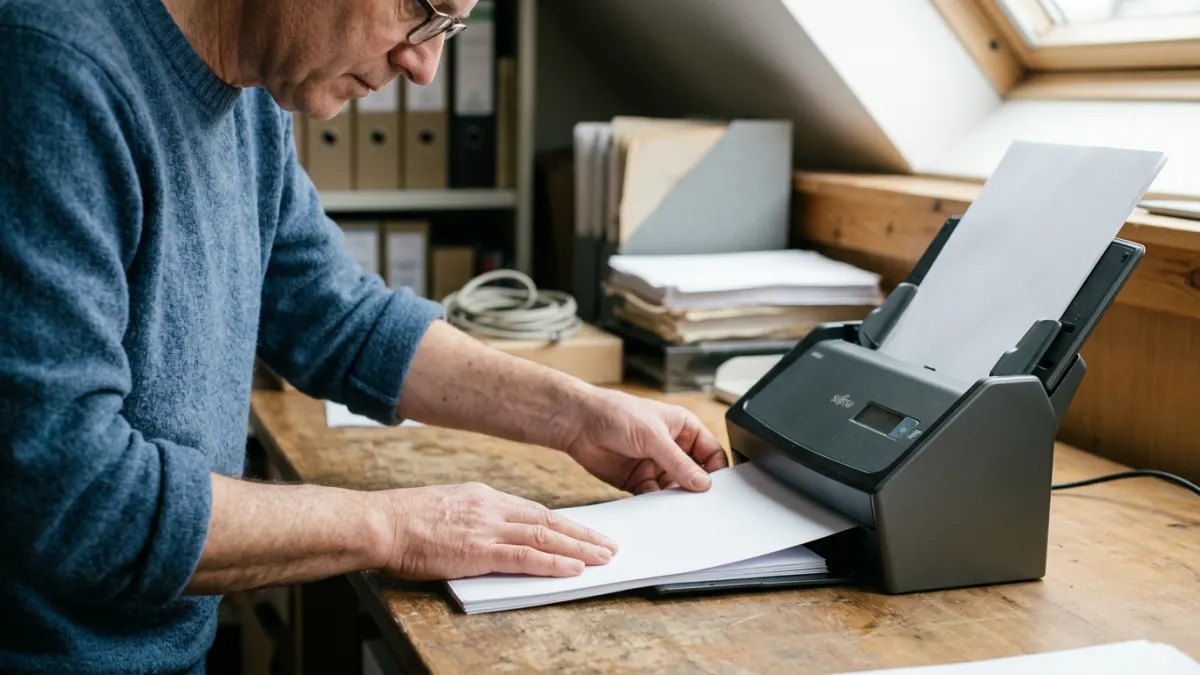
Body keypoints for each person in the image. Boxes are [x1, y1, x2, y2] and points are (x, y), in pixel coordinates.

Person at [0, 0, 730, 671]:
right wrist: (394, 527)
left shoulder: (249, 96)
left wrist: (577, 412)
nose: (424, 66)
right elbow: (76, 496)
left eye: (450, 29)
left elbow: (333, 314)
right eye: (422, 11)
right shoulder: (51, 71)